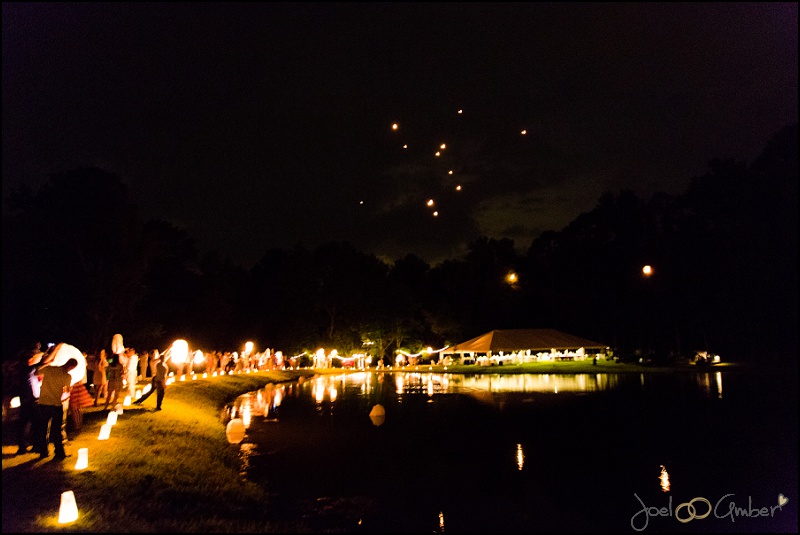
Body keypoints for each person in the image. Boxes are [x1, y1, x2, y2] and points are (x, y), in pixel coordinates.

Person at [35, 357, 78, 460]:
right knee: (56, 430)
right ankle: (59, 452)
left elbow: (36, 372)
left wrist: (46, 363)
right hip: (56, 405)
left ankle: (43, 452)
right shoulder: (67, 376)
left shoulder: (49, 369)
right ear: (71, 367)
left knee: (43, 429)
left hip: (43, 403)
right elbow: (67, 390)